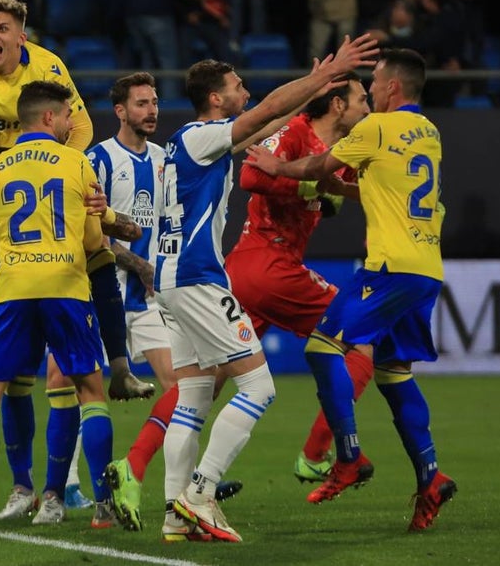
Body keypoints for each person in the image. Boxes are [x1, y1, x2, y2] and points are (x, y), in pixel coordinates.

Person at [157, 35, 379, 543]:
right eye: (237, 86)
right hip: (197, 278)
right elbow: (270, 114)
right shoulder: (202, 134)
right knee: (259, 387)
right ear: (216, 98)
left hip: (173, 280)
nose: (245, 91)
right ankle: (201, 494)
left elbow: (274, 119)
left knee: (193, 398)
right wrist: (325, 77)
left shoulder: (192, 140)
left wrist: (311, 88)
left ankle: (175, 514)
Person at [245, 48, 455, 531]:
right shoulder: (428, 133)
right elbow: (375, 189)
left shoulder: (376, 128)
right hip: (426, 267)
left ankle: (347, 456)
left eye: (375, 83)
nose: (372, 91)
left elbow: (319, 166)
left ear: (393, 88)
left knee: (322, 347)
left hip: (388, 267)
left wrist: (280, 169)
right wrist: (338, 190)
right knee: (393, 373)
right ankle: (429, 477)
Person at [0, 0, 150, 410]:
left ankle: (120, 369)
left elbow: (80, 126)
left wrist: (64, 169)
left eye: (2, 29)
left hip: (48, 184)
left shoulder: (48, 67)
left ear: (21, 36)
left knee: (98, 252)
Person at [0, 81, 117, 531]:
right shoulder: (78, 163)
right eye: (65, 117)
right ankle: (102, 508)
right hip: (66, 286)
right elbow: (94, 242)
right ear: (47, 119)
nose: (70, 124)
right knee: (92, 394)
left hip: (16, 289)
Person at [91, 73, 241, 538]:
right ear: (120, 110)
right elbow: (86, 230)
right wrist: (137, 262)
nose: (151, 111)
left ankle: (173, 488)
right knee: (82, 390)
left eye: (155, 102)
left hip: (153, 298)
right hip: (103, 293)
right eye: (141, 103)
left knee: (184, 387)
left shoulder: (165, 160)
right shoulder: (96, 158)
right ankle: (77, 495)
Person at [224, 73, 374, 486]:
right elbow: (252, 177)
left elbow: (340, 192)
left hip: (247, 269)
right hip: (270, 264)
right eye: (362, 99)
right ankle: (318, 453)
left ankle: (138, 466)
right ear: (338, 105)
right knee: (361, 340)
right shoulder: (296, 132)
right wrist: (309, 184)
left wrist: (334, 192)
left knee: (206, 379)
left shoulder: (339, 152)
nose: (368, 108)